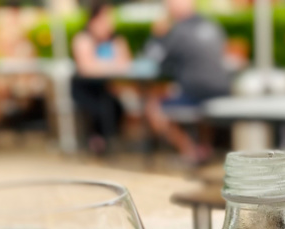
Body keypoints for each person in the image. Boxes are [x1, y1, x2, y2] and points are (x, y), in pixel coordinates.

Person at [142, 0, 231, 162]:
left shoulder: (178, 30)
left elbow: (157, 59)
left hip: (196, 93)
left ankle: (190, 150)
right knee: (201, 102)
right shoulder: (213, 26)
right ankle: (205, 147)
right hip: (223, 90)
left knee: (152, 107)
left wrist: (156, 36)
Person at [71, 1, 132, 155]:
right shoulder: (83, 38)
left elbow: (126, 63)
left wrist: (101, 65)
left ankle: (108, 142)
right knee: (99, 109)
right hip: (86, 89)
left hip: (107, 88)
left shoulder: (116, 39)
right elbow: (86, 68)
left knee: (116, 107)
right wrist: (112, 65)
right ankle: (98, 142)